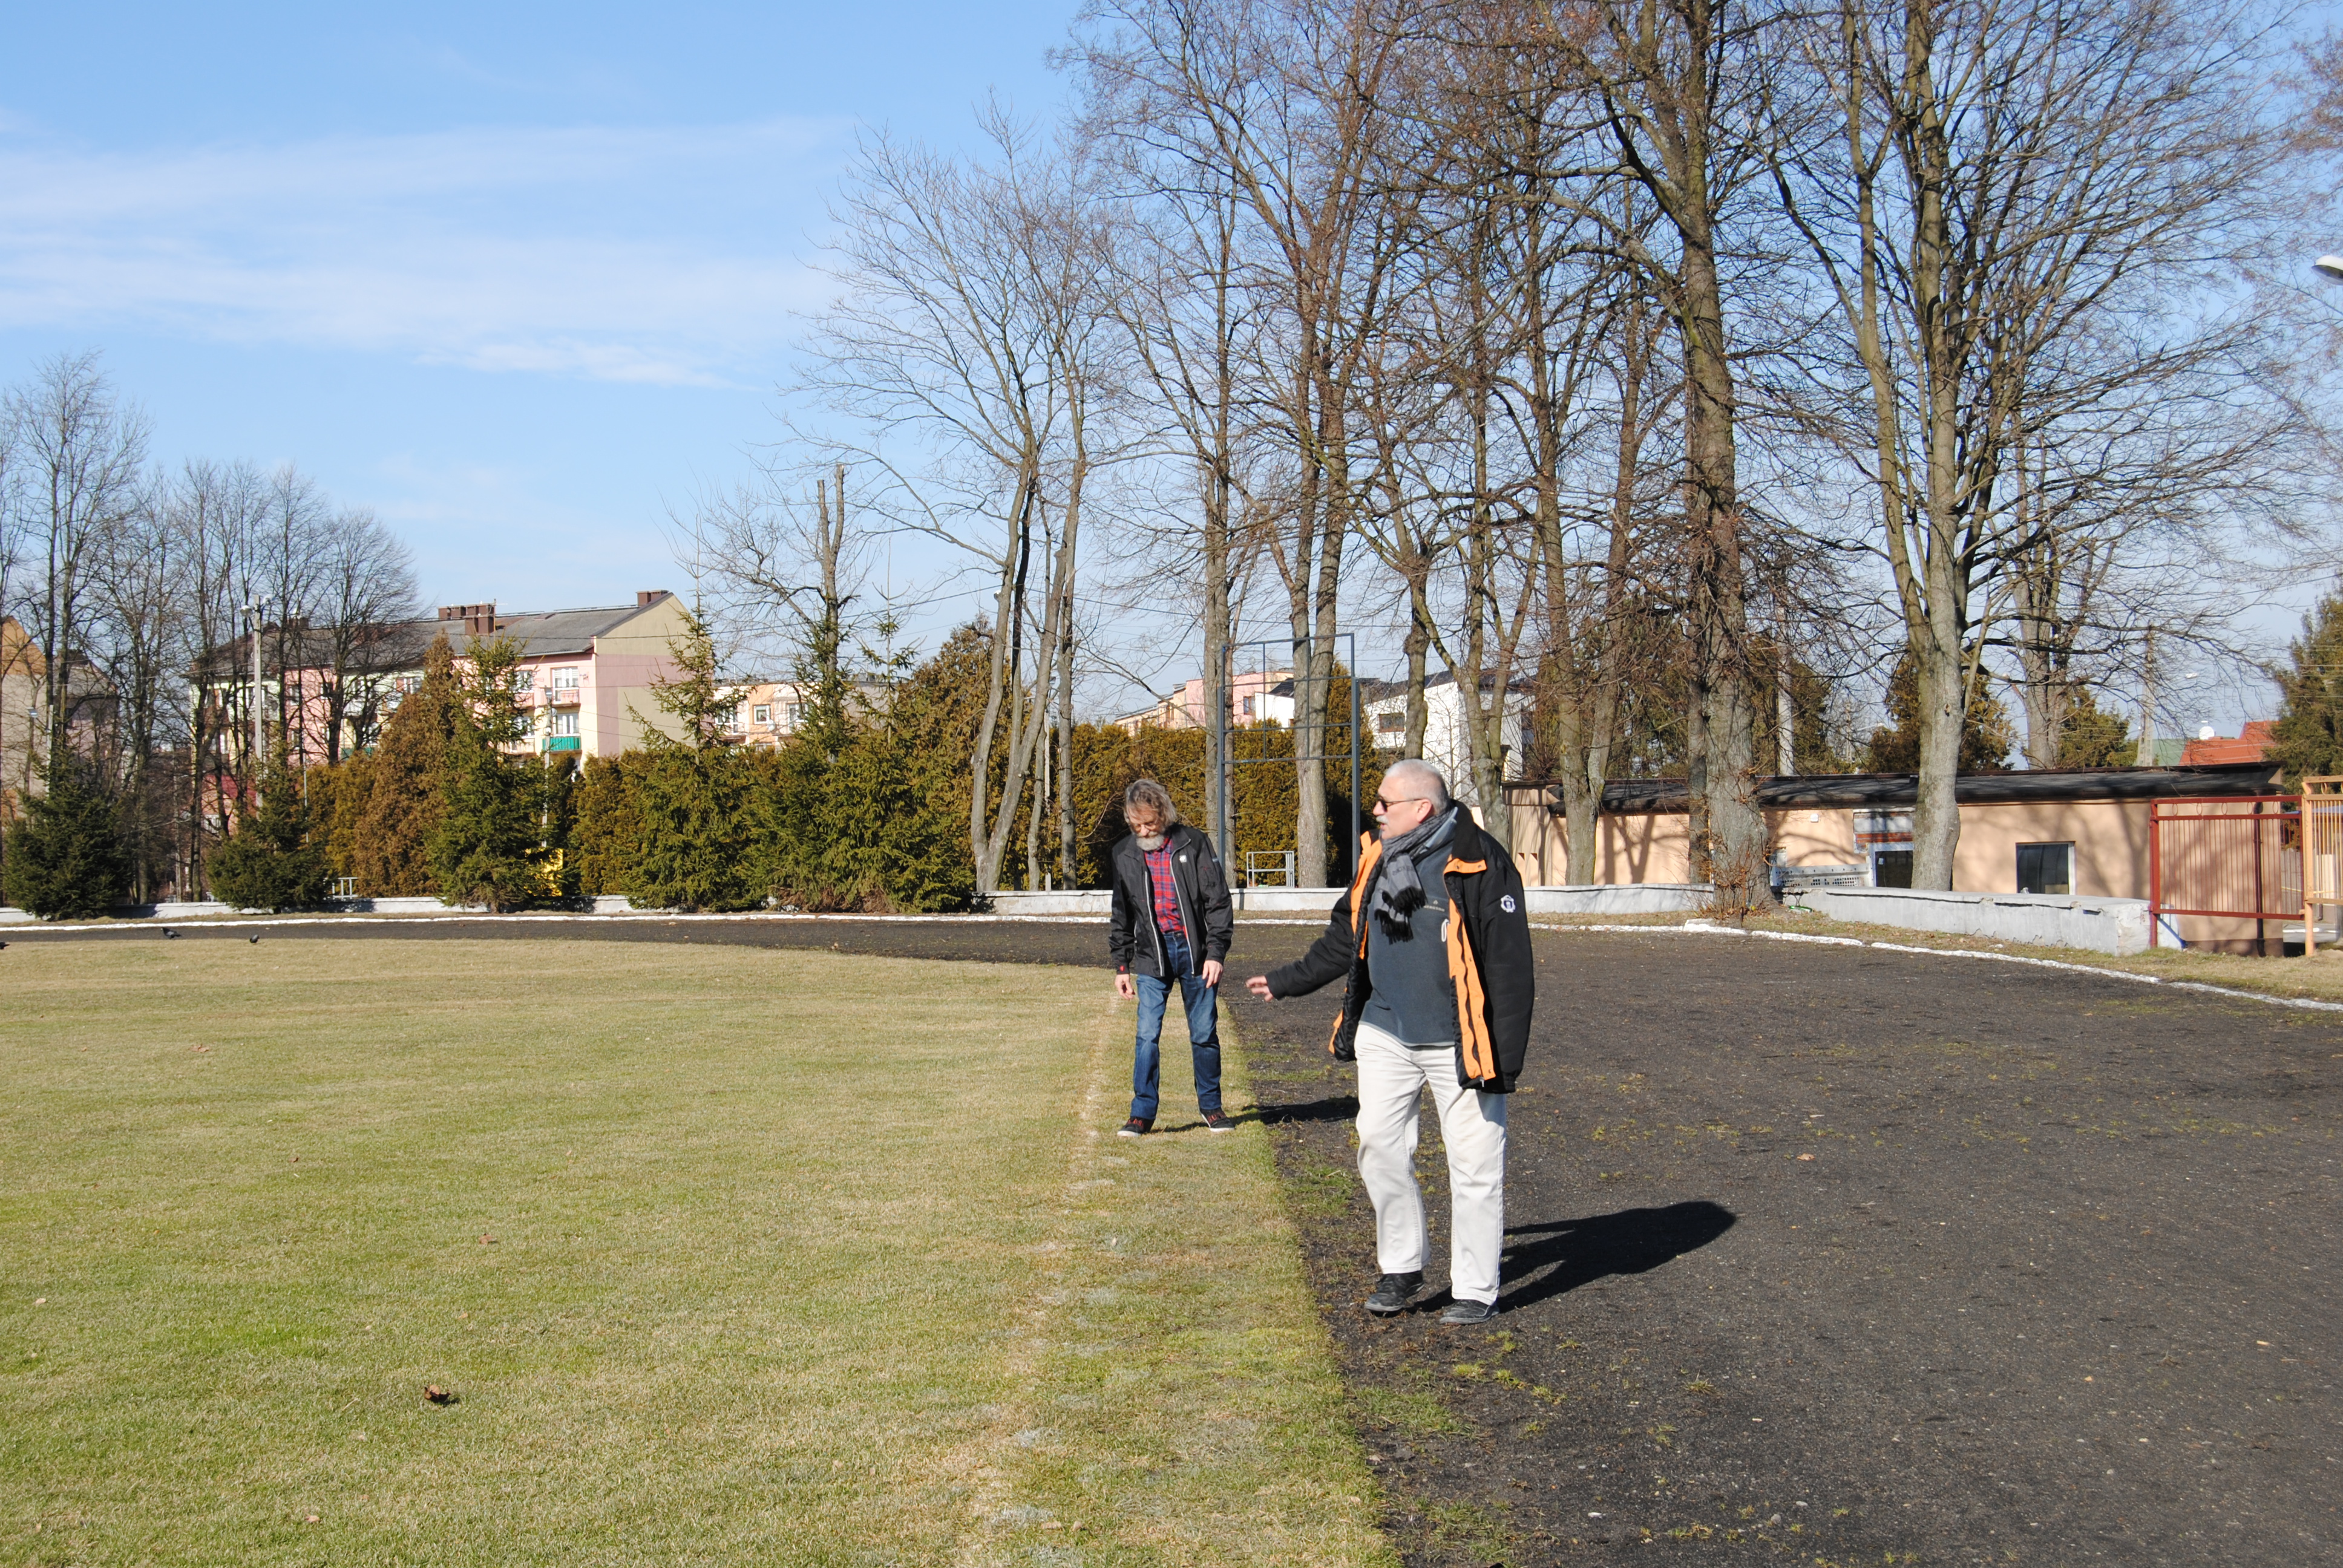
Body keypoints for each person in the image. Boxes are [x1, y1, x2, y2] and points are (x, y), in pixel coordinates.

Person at [1245, 759, 1532, 1324]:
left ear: (1422, 808)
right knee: (1378, 1144)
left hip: (1460, 1041)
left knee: (1474, 1164)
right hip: (1384, 1029)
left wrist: (1502, 1057)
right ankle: (1402, 1267)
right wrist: (1287, 981)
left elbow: (1509, 964)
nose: (1375, 811)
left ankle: (1475, 1289)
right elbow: (1345, 934)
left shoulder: (1481, 860)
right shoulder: (1377, 855)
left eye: (1385, 802)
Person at [1109, 779, 1236, 1137]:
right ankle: (1141, 1114)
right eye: (1136, 825)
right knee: (1147, 1035)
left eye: (1149, 823)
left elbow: (1218, 903)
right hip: (1152, 956)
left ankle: (1212, 1107)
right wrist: (1122, 966)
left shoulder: (1194, 843)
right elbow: (1121, 914)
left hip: (1197, 955)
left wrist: (1216, 953)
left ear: (1163, 815)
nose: (1143, 831)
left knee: (1204, 1033)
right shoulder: (1123, 854)